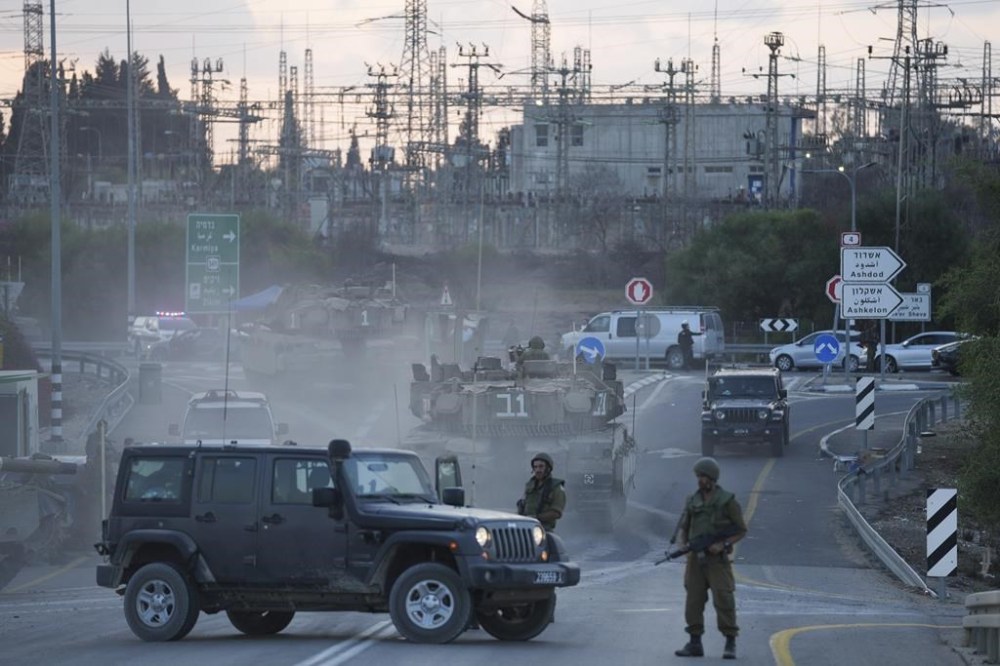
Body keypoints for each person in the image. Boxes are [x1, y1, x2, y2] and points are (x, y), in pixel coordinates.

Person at [674, 457, 748, 660]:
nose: (699, 480)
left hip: (717, 561)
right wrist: (684, 546)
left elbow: (741, 529)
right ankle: (694, 642)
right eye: (698, 476)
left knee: (724, 598)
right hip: (696, 561)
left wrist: (722, 544)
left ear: (712, 478)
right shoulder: (692, 500)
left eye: (703, 476)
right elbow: (684, 527)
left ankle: (730, 642)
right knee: (694, 601)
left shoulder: (727, 501)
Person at [517, 452, 566, 531]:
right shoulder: (530, 485)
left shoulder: (556, 487)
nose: (537, 470)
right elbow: (523, 504)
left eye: (541, 466)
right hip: (526, 528)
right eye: (535, 467)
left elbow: (556, 513)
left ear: (548, 468)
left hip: (544, 530)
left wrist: (536, 517)